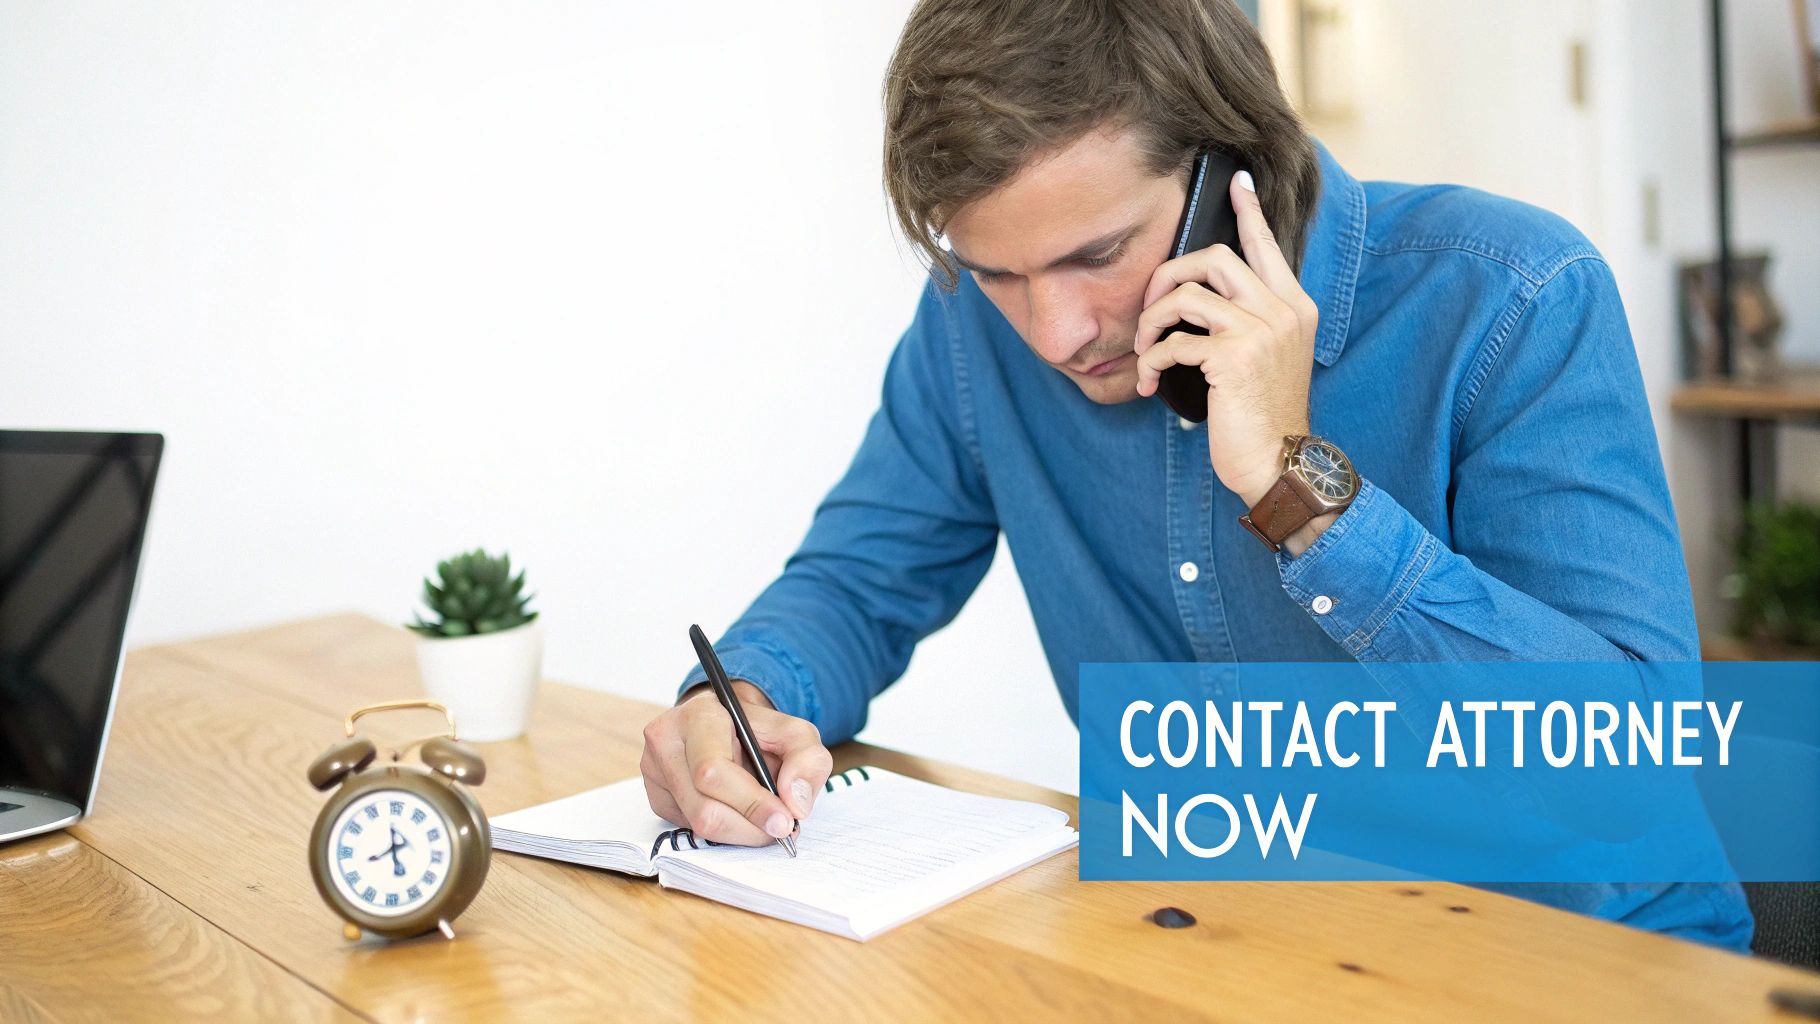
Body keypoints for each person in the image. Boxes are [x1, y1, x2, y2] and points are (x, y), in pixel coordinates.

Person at [638, 0, 1752, 949]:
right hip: (1235, 944)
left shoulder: (1508, 296)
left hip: (1581, 955)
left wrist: (1296, 487)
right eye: (995, 272)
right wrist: (740, 696)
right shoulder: (969, 341)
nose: (1055, 333)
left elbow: (1624, 770)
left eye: (1095, 255)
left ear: (1233, 172)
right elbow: (854, 583)